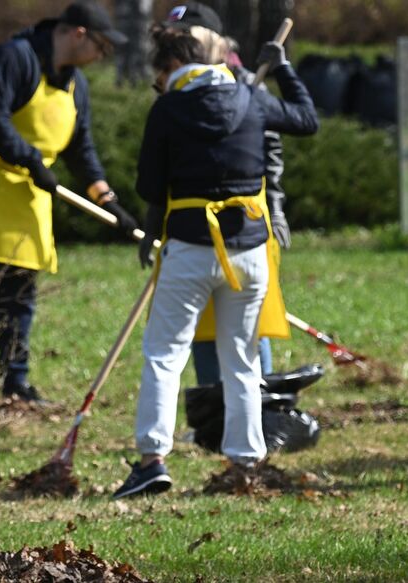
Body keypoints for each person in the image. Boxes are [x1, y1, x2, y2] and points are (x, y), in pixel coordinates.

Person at [112, 28, 318, 499]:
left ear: (169, 70)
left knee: (165, 354)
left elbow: (149, 184)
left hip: (190, 248)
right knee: (241, 358)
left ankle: (152, 461)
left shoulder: (167, 109)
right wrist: (283, 68)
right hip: (249, 253)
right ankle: (245, 462)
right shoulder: (251, 97)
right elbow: (307, 119)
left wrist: (154, 221)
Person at [0, 1, 137, 403]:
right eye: (101, 48)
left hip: (28, 196)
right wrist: (30, 158)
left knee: (19, 296)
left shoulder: (75, 84)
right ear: (79, 34)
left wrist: (108, 200)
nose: (101, 58)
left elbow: (80, 148)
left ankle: (15, 382)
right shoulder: (14, 58)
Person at [161, 1, 324, 394]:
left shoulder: (248, 84)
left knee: (249, 321)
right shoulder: (171, 87)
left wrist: (276, 207)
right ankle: (212, 406)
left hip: (246, 216)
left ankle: (257, 403)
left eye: (183, 42)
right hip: (188, 218)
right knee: (199, 320)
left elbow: (273, 150)